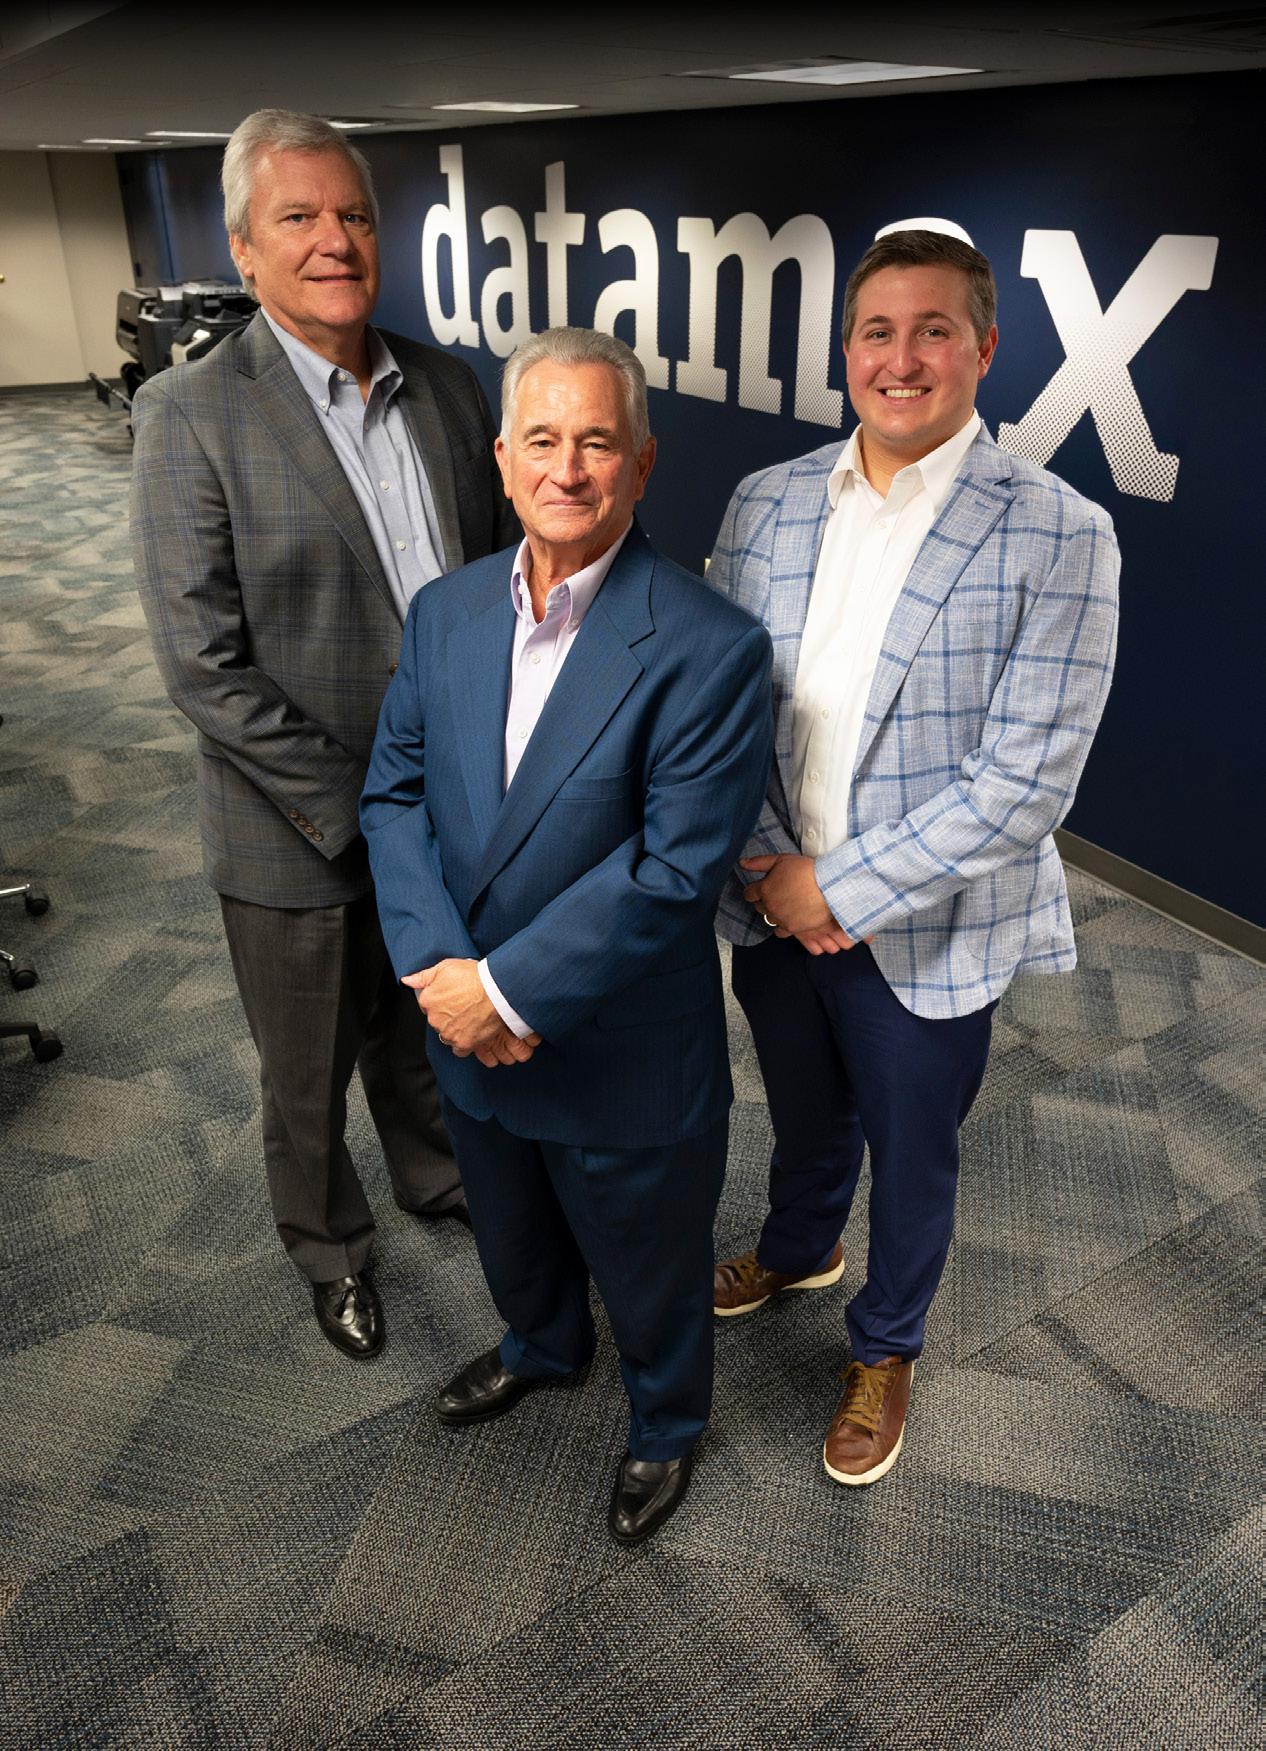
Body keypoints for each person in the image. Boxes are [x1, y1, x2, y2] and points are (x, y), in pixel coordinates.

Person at [708, 224, 1120, 1487]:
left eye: (933, 330)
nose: (902, 358)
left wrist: (835, 887)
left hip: (929, 926)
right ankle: (799, 1246)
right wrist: (773, 869)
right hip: (769, 900)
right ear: (846, 353)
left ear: (983, 350)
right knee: (802, 1109)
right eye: (877, 332)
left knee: (913, 1149)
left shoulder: (1061, 533)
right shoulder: (766, 501)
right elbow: (720, 708)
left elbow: (1024, 783)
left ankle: (885, 1342)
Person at [360, 327, 773, 1542]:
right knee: (513, 1231)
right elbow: (394, 796)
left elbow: (674, 869)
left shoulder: (709, 644)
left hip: (613, 1047)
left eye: (598, 441)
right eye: (542, 438)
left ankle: (666, 1422)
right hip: (463, 1023)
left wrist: (504, 994)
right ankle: (542, 1344)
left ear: (642, 463)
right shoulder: (444, 614)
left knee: (649, 1266)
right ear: (502, 458)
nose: (568, 467)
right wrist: (443, 973)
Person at [131, 109, 517, 1360]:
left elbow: (498, 584)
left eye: (352, 214)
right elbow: (203, 663)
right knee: (305, 1069)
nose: (333, 240)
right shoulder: (190, 411)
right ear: (245, 249)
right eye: (297, 217)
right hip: (294, 824)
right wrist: (369, 812)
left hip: (454, 803)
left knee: (421, 1022)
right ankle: (330, 1246)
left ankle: (432, 1174)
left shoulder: (447, 385)